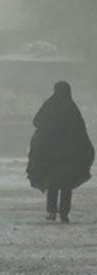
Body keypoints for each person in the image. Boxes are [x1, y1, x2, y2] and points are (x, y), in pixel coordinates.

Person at [27, 81, 94, 223]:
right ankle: (64, 213)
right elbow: (81, 130)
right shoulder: (72, 108)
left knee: (52, 183)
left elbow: (36, 121)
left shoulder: (49, 105)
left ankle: (51, 211)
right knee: (66, 185)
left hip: (50, 153)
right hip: (69, 155)